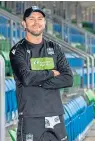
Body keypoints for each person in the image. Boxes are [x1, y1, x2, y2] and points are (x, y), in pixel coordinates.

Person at [9, 6, 73, 141]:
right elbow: (26, 78)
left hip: (55, 114)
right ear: (24, 24)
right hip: (30, 117)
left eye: (40, 19)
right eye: (31, 19)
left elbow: (68, 79)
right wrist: (51, 73)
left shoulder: (55, 48)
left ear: (44, 23)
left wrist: (37, 81)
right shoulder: (17, 51)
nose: (36, 22)